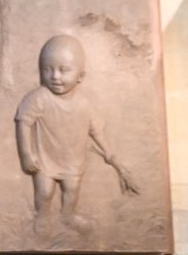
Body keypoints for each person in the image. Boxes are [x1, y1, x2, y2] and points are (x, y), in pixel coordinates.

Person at [15, 34, 137, 231]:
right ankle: (43, 216)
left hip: (73, 160)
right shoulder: (38, 98)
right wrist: (26, 154)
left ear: (81, 76)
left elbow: (96, 131)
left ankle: (68, 216)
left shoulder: (84, 105)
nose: (55, 76)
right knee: (45, 191)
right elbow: (24, 122)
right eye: (47, 69)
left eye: (63, 70)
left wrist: (109, 152)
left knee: (71, 190)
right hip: (45, 159)